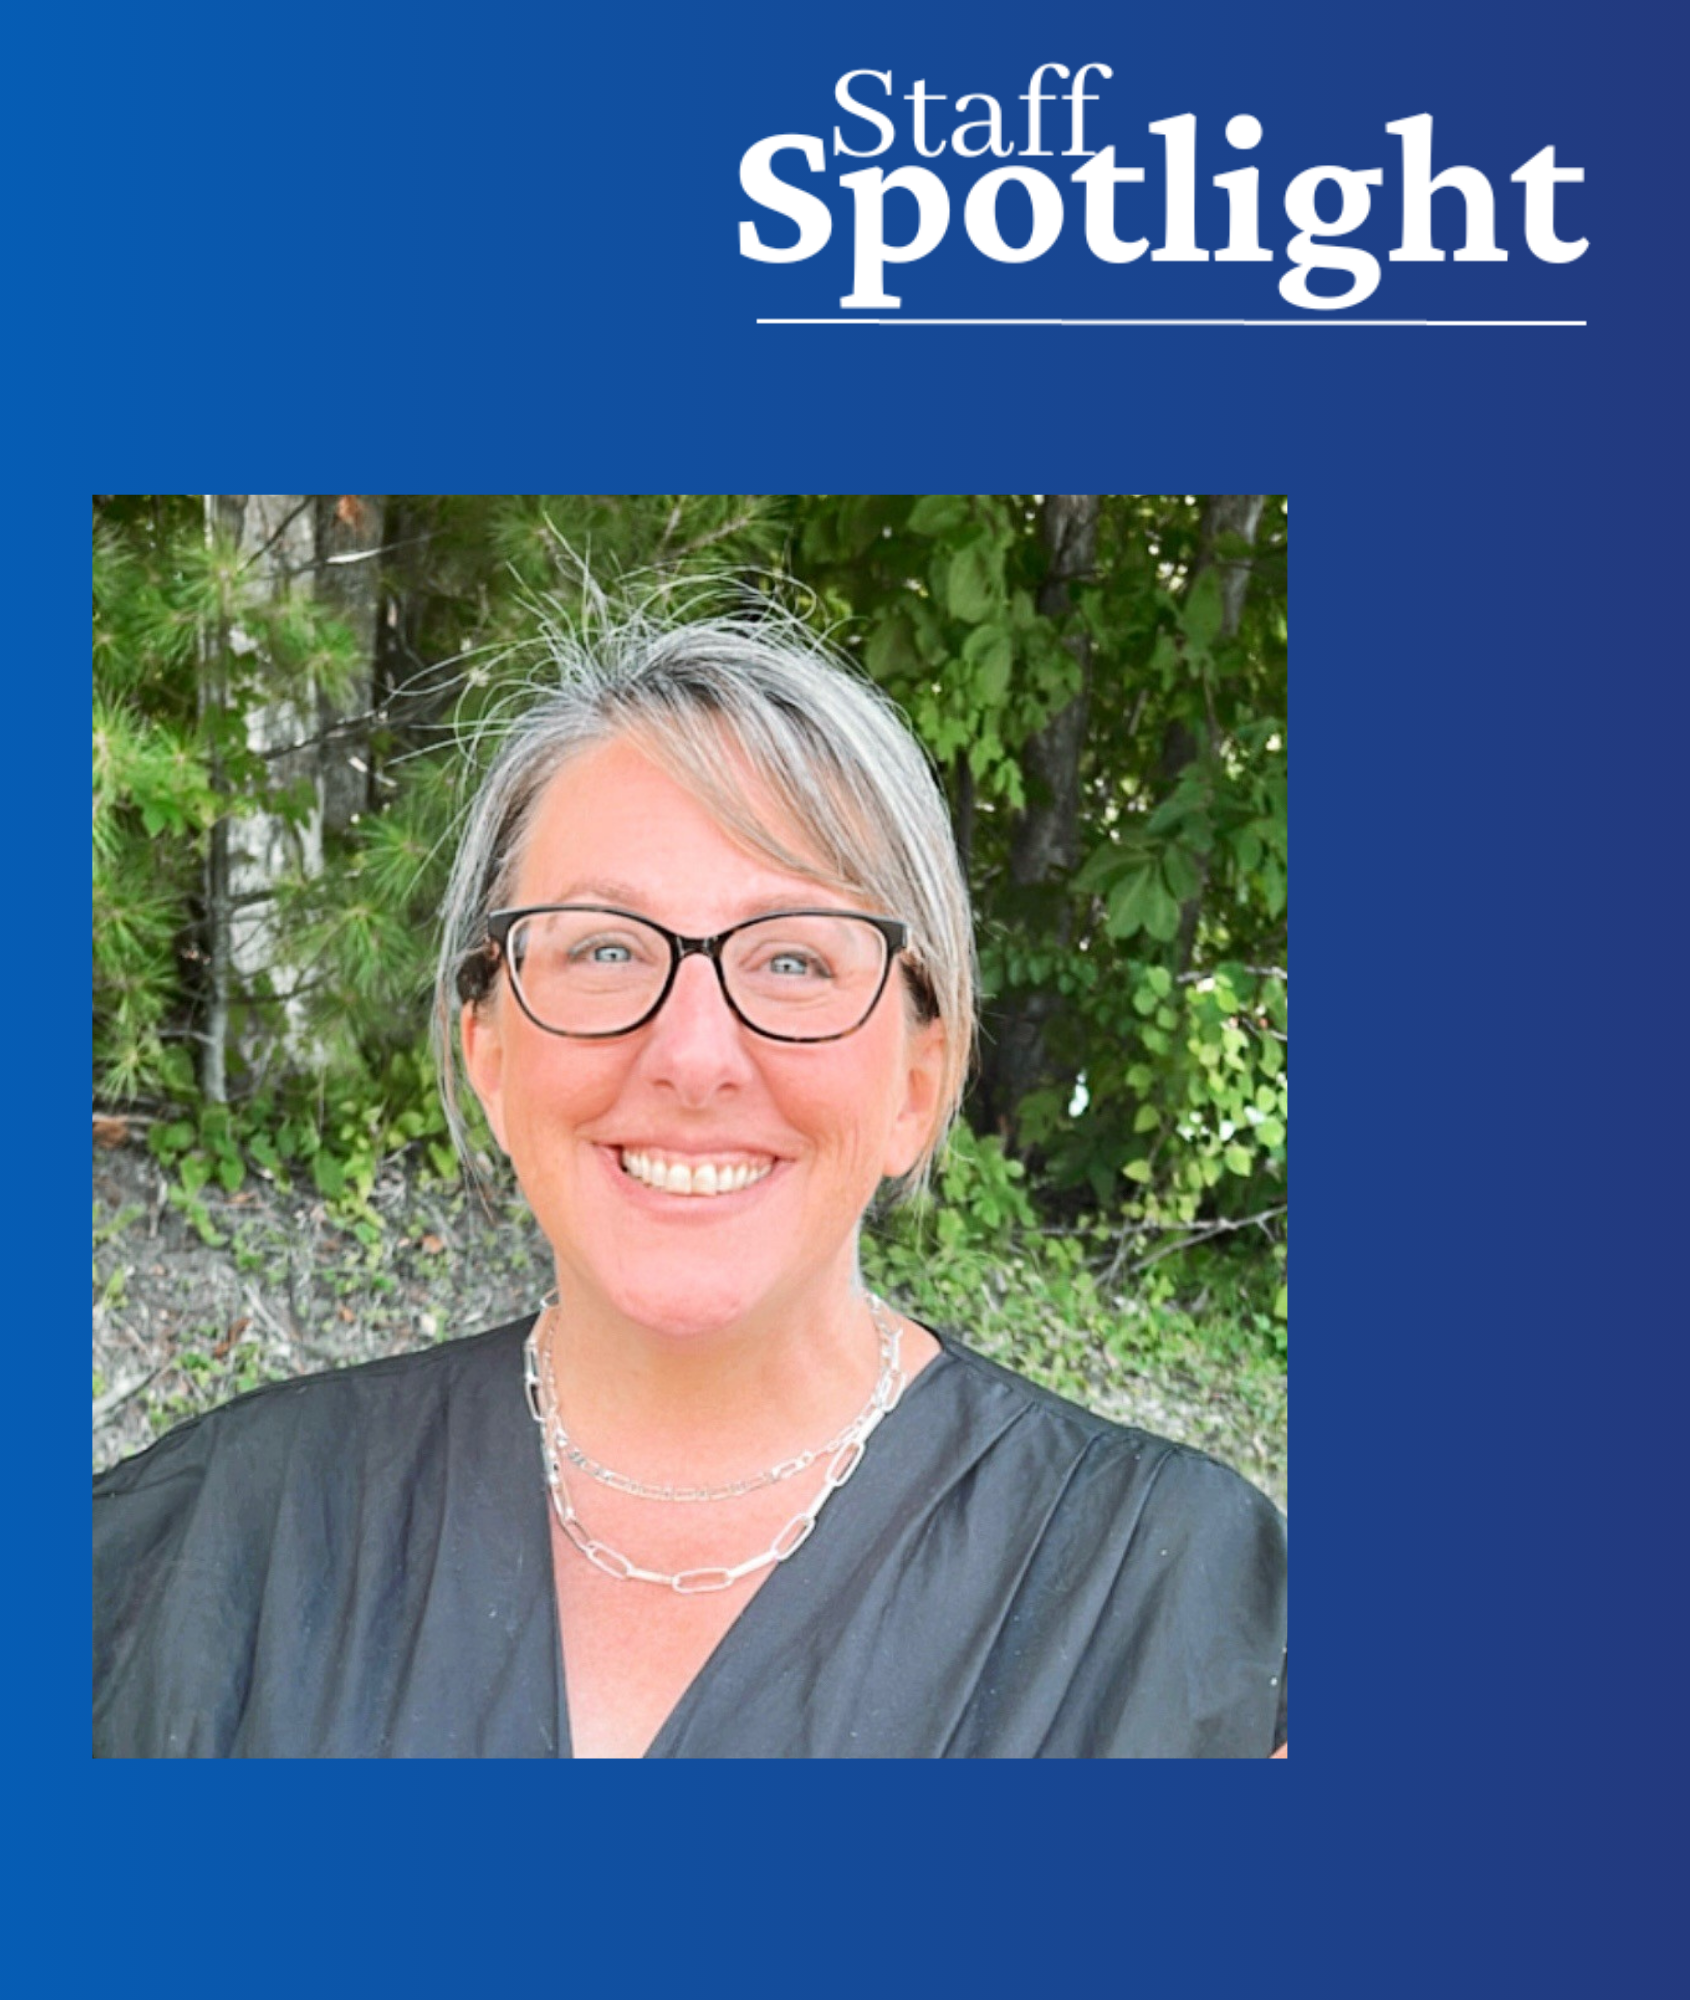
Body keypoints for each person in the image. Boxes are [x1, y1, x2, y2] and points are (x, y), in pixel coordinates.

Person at [93, 608, 1287, 1758]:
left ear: (920, 1079)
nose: (693, 1056)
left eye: (794, 958)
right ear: (489, 1049)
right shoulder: (205, 1549)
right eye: (604, 947)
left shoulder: (1169, 1608)